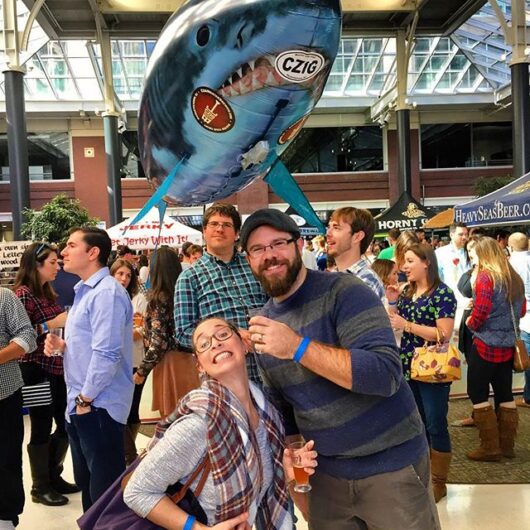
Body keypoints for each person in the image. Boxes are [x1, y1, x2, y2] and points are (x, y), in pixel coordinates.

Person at [240, 209, 440, 530]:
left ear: (299, 245)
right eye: (258, 249)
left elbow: (384, 373)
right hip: (326, 481)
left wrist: (297, 347)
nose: (270, 255)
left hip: (391, 468)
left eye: (278, 243)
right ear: (249, 259)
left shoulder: (344, 291)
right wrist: (298, 480)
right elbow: (285, 413)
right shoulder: (266, 324)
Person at [124, 316, 317, 529]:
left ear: (244, 345)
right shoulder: (199, 424)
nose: (215, 343)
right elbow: (136, 491)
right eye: (204, 344)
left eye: (223, 334)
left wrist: (284, 472)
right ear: (200, 365)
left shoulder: (267, 414)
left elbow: (257, 483)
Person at [44, 227, 134, 512]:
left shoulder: (106, 293)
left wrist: (86, 399)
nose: (63, 252)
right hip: (81, 404)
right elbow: (92, 346)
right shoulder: (85, 291)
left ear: (93, 252)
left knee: (103, 495)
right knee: (89, 486)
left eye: (71, 245)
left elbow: (107, 354)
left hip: (97, 406)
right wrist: (64, 346)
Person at [387, 244, 456, 503]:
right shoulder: (407, 292)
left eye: (409, 261)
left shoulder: (443, 294)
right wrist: (392, 301)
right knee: (416, 423)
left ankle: (439, 481)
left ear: (426, 262)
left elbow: (443, 334)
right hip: (407, 366)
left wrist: (408, 325)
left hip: (432, 369)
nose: (404, 267)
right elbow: (394, 323)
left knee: (435, 424)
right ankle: (423, 476)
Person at [174, 203, 268, 386]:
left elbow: (277, 306)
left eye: (226, 225)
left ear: (237, 234)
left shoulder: (255, 265)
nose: (219, 229)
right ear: (204, 231)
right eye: (214, 224)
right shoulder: (189, 278)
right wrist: (230, 335)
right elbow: (183, 333)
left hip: (270, 370)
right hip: (224, 380)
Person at [14, 243, 79, 508]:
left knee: (64, 423)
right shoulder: (22, 295)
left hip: (56, 367)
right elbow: (18, 337)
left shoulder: (46, 292)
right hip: (34, 370)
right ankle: (40, 486)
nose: (58, 267)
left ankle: (54, 476)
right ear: (36, 264)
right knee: (41, 426)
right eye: (52, 262)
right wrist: (50, 324)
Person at [465, 236, 525, 462]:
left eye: (474, 255)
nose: (473, 259)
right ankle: (507, 446)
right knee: (505, 392)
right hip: (508, 344)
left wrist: (470, 322)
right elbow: (521, 310)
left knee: (476, 391)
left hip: (485, 344)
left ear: (483, 254)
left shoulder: (485, 277)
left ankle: (490, 448)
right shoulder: (513, 277)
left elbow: (481, 311)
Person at [134, 247, 199, 418]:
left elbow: (159, 342)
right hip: (190, 361)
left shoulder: (159, 300)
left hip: (170, 363)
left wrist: (142, 371)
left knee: (173, 419)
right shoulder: (183, 293)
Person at [0, 288, 37, 529]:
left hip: (4, 395)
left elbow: (28, 337)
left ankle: (6, 519)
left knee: (6, 462)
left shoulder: (4, 297)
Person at [110, 258, 149, 464]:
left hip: (135, 360)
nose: (124, 278)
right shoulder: (105, 298)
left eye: (127, 275)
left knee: (133, 410)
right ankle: (128, 455)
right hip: (115, 362)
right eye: (120, 274)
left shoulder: (138, 299)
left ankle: (128, 453)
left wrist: (126, 333)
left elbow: (142, 329)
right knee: (119, 408)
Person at [326, 207, 385, 300]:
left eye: (336, 228)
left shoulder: (365, 281)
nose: (328, 233)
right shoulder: (332, 276)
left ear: (357, 237)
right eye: (329, 227)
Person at [435, 222, 471, 332]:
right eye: (461, 234)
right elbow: (437, 278)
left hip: (470, 301)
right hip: (451, 301)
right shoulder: (441, 253)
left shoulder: (471, 251)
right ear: (452, 235)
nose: (464, 237)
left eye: (466, 234)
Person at [509, 232, 530, 408]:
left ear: (510, 247)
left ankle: (528, 396)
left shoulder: (512, 264)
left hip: (523, 316)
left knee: (526, 358)